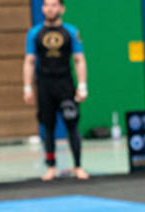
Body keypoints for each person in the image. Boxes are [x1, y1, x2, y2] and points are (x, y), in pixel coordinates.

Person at [23, 0, 88, 182]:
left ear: (61, 8)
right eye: (46, 5)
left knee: (72, 125)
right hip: (44, 84)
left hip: (65, 84)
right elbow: (29, 61)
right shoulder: (34, 33)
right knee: (48, 126)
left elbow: (79, 59)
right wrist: (27, 87)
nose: (49, 9)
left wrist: (82, 85)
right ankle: (51, 166)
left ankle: (78, 166)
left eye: (53, 5)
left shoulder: (71, 32)